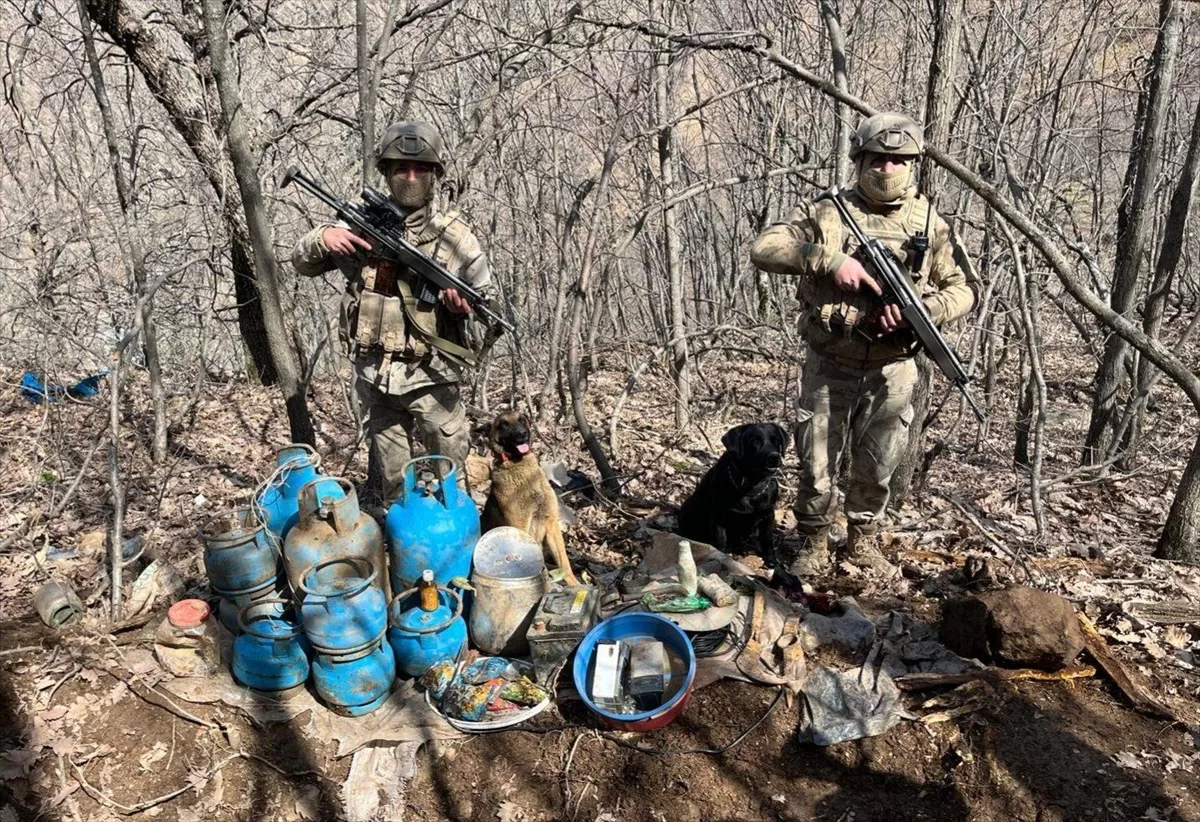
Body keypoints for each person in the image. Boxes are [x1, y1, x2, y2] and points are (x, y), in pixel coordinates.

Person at [750, 112, 976, 577]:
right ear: (860, 160)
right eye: (877, 158)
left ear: (913, 164)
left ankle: (862, 540)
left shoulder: (932, 225)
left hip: (894, 365)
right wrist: (827, 260)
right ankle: (812, 538)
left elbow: (965, 288)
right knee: (815, 459)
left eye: (898, 160)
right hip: (831, 359)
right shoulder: (828, 213)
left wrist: (925, 310)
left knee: (879, 462)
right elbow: (765, 247)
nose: (887, 169)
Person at [292, 122, 492, 503]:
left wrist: (464, 309)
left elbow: (489, 302)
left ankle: (457, 549)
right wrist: (322, 237)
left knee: (451, 483)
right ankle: (405, 547)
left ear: (435, 175)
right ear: (386, 173)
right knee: (394, 486)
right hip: (376, 376)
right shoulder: (361, 225)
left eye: (420, 169)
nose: (411, 177)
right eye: (401, 168)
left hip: (432, 377)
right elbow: (303, 262)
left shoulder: (455, 237)